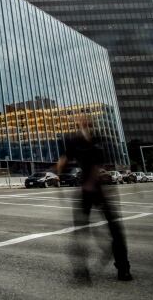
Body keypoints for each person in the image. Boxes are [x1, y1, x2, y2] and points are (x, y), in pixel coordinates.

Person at [57, 116, 132, 282]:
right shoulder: (73, 140)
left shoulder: (99, 139)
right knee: (80, 231)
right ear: (78, 123)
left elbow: (104, 163)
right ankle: (81, 271)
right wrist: (58, 178)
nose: (84, 121)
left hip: (101, 189)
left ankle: (123, 268)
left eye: (87, 119)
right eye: (81, 119)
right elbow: (63, 160)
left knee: (116, 229)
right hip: (85, 190)